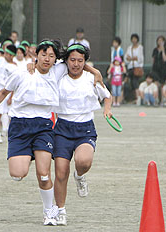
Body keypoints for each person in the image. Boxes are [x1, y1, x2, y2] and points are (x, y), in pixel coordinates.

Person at [0, 39, 103, 226]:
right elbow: (3, 93)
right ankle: (27, 155)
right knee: (17, 174)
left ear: (56, 59)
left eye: (51, 56)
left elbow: (77, 62)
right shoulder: (21, 73)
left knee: (44, 174)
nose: (47, 59)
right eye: (43, 54)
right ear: (36, 55)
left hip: (44, 127)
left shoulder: (58, 70)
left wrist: (96, 72)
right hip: (20, 126)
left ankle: (49, 212)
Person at [53, 43, 112, 226]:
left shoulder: (91, 78)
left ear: (85, 62)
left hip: (85, 128)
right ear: (66, 61)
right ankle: (60, 211)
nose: (76, 64)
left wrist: (107, 110)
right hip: (62, 129)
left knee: (83, 162)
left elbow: (107, 95)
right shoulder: (58, 76)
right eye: (72, 60)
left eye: (80, 60)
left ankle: (79, 176)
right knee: (61, 173)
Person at [0, 45, 18, 141]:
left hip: (8, 90)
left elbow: (15, 84)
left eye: (8, 54)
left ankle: (7, 131)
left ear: (12, 56)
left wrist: (11, 97)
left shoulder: (15, 67)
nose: (5, 55)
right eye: (5, 53)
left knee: (9, 113)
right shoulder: (0, 61)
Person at [124, 33, 144, 105]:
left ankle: (138, 98)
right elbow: (126, 58)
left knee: (135, 82)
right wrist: (132, 58)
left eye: (135, 38)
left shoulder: (140, 47)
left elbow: (140, 58)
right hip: (130, 67)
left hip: (137, 68)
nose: (134, 40)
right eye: (133, 38)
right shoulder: (129, 48)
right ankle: (134, 98)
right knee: (131, 82)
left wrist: (131, 58)